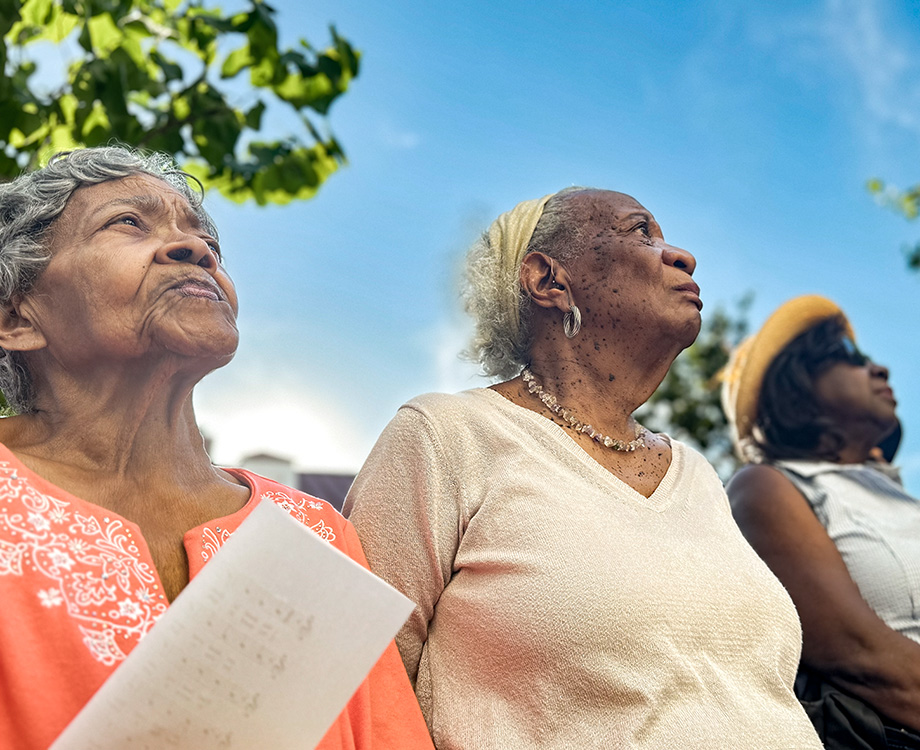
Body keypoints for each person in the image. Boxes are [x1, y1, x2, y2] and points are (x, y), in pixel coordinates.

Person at [344, 188, 823, 748]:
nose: (682, 256)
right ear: (549, 280)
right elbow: (359, 685)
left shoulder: (696, 474)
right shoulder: (444, 436)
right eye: (640, 232)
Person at [0, 147, 433, 750]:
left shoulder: (313, 532)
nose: (197, 249)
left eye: (207, 241)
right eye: (128, 222)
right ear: (16, 317)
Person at [722, 294, 920, 750]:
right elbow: (856, 654)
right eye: (847, 358)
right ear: (794, 389)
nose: (880, 370)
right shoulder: (767, 488)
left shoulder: (911, 503)